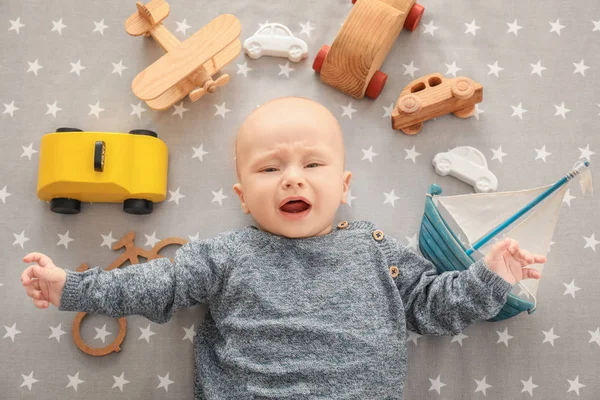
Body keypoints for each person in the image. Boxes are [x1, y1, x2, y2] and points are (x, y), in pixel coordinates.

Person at [20, 97, 545, 399]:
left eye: (311, 165)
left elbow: (434, 309)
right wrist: (73, 287)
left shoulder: (375, 250)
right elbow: (160, 281)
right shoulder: (226, 255)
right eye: (271, 168)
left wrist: (489, 277)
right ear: (244, 197)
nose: (292, 179)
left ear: (343, 187)